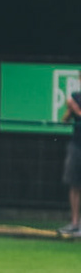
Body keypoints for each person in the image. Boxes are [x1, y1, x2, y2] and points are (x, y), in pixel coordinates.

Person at [60, 88, 81, 239]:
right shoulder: (76, 96)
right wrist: (69, 109)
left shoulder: (76, 103)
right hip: (76, 145)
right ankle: (74, 223)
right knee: (74, 184)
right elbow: (65, 120)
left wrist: (76, 109)